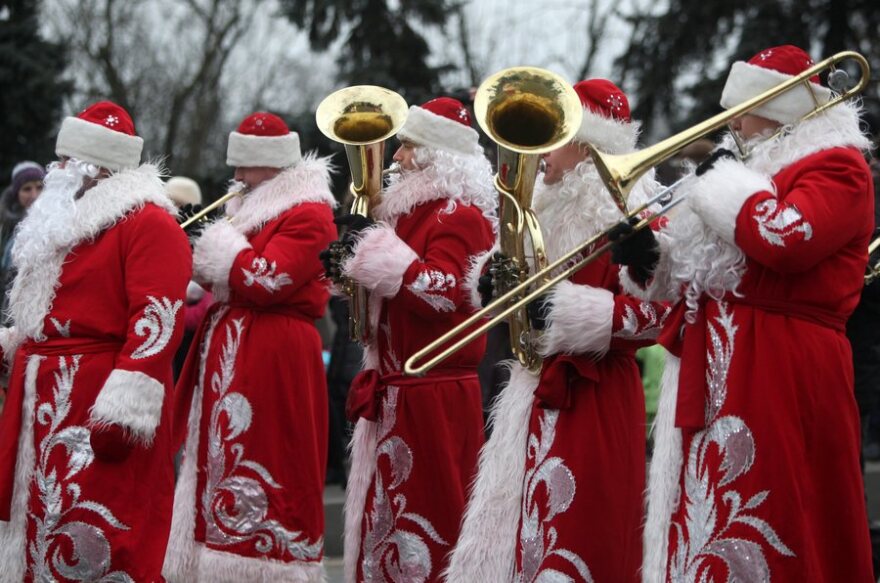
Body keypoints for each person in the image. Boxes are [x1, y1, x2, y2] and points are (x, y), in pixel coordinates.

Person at [612, 45, 876, 581]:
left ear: (777, 109)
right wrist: (650, 257)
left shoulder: (839, 165)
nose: (732, 120)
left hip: (785, 363)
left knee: (777, 504)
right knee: (709, 512)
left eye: (743, 107)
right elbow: (697, 270)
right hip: (722, 359)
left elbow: (783, 239)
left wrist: (723, 184)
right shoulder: (750, 171)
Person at [446, 80, 670, 582]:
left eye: (556, 136)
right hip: (530, 391)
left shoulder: (633, 205)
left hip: (595, 394)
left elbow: (661, 315)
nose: (543, 151)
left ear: (586, 143)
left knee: (582, 538)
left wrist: (574, 313)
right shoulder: (535, 206)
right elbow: (520, 300)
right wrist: (491, 282)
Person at [0, 100, 191, 581]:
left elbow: (157, 322)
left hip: (97, 405)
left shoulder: (148, 221)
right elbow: (46, 320)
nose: (58, 170)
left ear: (97, 165)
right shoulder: (63, 226)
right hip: (44, 400)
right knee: (40, 533)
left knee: (102, 537)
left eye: (68, 160)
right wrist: (12, 348)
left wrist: (122, 412)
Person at [327, 97, 496, 582]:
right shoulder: (408, 215)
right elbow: (388, 298)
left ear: (437, 153)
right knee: (388, 524)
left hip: (433, 395)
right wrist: (345, 268)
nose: (396, 157)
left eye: (407, 145)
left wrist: (374, 248)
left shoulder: (458, 214)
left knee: (430, 523)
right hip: (397, 389)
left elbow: (445, 293)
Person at [164, 112, 337, 582]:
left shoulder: (310, 212)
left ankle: (262, 562)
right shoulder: (251, 210)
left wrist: (221, 249)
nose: (236, 176)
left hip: (275, 354)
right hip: (236, 347)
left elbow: (269, 279)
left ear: (274, 167)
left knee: (269, 455)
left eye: (245, 166)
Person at [164, 176, 213, 379]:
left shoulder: (204, 246)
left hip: (189, 339)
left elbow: (209, 303)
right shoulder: (155, 237)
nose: (174, 212)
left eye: (180, 206)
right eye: (170, 205)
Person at [0, 161, 44, 324]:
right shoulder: (6, 227)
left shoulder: (56, 225)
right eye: (27, 189)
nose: (34, 195)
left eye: (40, 187)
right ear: (16, 193)